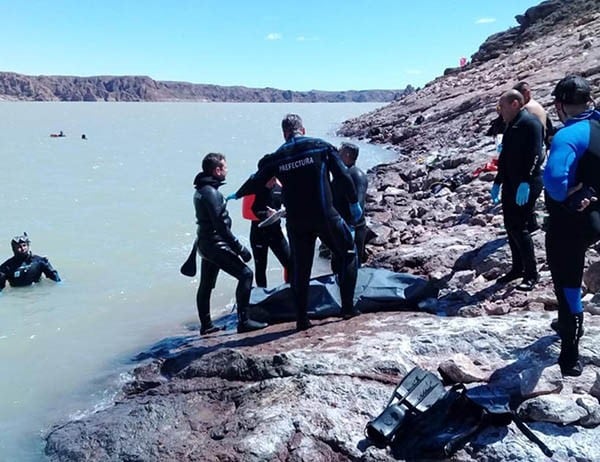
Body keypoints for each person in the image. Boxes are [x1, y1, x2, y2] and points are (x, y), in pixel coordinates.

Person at [230, 114, 362, 331]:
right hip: (326, 215)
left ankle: (302, 319)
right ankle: (347, 308)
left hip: (297, 221)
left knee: (301, 269)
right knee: (348, 253)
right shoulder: (320, 146)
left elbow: (257, 180)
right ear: (303, 128)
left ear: (284, 133)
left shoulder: (278, 156)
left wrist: (237, 193)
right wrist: (354, 204)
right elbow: (343, 177)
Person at [543, 75, 600, 376]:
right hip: (595, 218)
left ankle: (570, 356)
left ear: (560, 105)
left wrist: (566, 192)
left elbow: (553, 181)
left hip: (570, 223)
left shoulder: (567, 136)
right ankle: (565, 322)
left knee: (567, 281)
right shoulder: (597, 125)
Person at [193, 153, 267, 335]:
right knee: (246, 275)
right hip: (215, 245)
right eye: (225, 167)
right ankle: (244, 321)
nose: (227, 170)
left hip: (205, 244)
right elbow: (220, 226)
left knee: (206, 284)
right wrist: (239, 248)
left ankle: (207, 325)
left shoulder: (201, 190)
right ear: (217, 170)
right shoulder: (211, 193)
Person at [490, 90, 544, 291]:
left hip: (527, 184)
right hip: (511, 183)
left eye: (502, 106)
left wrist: (526, 181)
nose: (500, 110)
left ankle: (531, 274)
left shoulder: (530, 123)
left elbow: (536, 155)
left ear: (514, 104)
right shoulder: (511, 124)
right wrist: (497, 181)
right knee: (510, 226)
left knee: (520, 227)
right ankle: (517, 268)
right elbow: (504, 158)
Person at [247, 175, 290, 287]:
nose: (273, 182)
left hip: (276, 233)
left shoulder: (280, 187)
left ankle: (290, 290)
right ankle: (262, 298)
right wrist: (266, 214)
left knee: (291, 263)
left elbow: (288, 207)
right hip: (258, 234)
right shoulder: (254, 187)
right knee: (260, 268)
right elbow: (246, 213)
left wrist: (283, 213)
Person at [331, 142, 369, 263]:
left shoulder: (357, 175)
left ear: (347, 155)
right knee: (338, 265)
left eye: (339, 151)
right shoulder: (342, 174)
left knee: (352, 266)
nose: (337, 154)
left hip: (353, 229)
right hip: (340, 226)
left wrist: (350, 228)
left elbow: (359, 203)